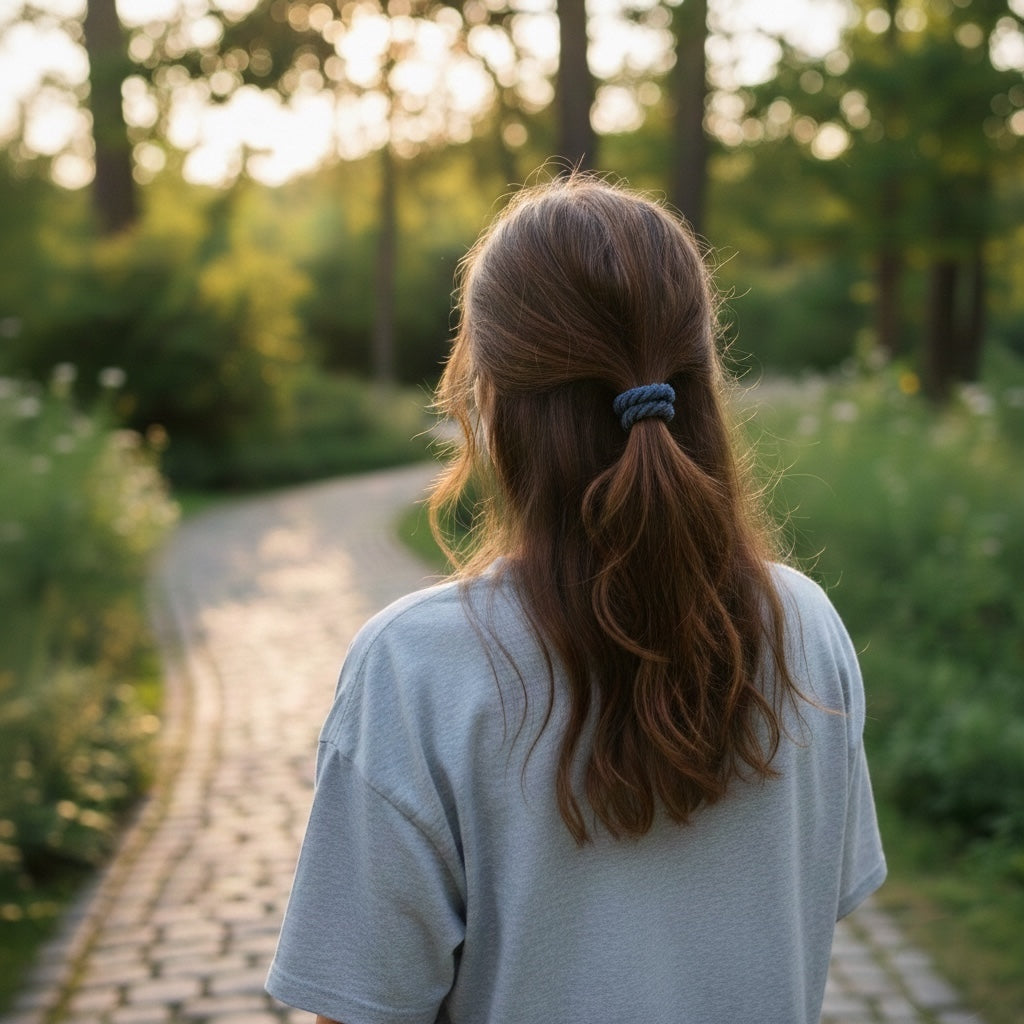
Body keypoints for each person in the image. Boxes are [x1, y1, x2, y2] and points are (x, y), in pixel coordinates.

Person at [265, 175, 886, 1024]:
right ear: (703, 371)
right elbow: (813, 902)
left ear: (484, 394)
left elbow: (359, 1002)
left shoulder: (414, 669)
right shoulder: (803, 624)